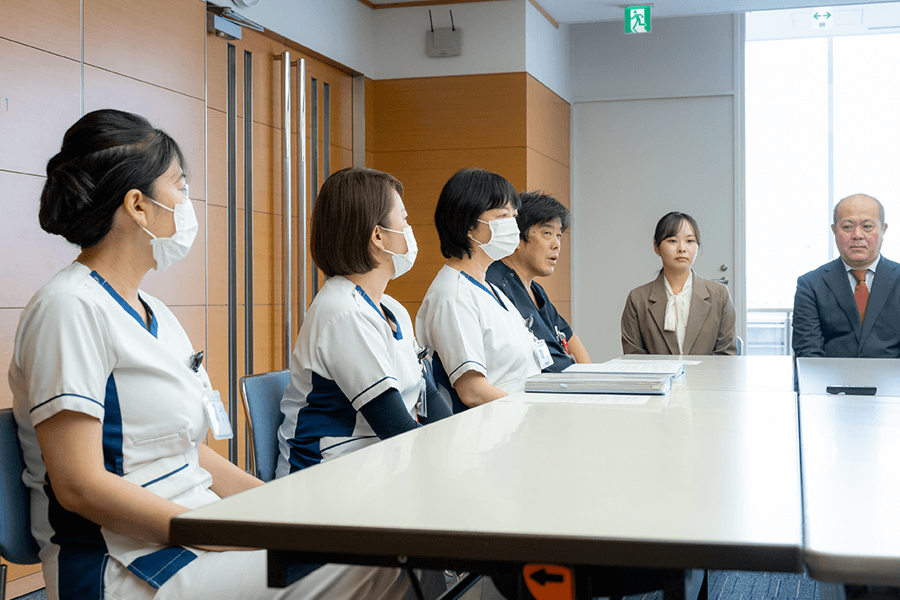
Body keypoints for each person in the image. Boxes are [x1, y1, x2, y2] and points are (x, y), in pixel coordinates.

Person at [8, 110, 408, 600]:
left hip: (197, 536)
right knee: (380, 561)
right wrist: (217, 532)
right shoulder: (67, 308)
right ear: (137, 205)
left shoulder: (154, 312)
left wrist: (284, 509)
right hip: (126, 566)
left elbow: (189, 453)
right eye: (179, 186)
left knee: (388, 543)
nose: (187, 202)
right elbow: (80, 486)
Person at [277, 167, 451, 475]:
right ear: (378, 236)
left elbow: (427, 394)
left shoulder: (391, 308)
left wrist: (461, 440)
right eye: (405, 220)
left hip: (376, 465)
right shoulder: (343, 312)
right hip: (328, 476)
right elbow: (394, 427)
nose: (410, 230)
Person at [416, 168, 542, 413]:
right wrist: (531, 411)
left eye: (514, 216)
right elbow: (472, 391)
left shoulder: (490, 287)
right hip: (487, 431)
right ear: (469, 225)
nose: (512, 225)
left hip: (516, 421)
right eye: (502, 216)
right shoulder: (453, 295)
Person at [485, 191, 591, 372]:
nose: (556, 244)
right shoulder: (494, 284)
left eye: (559, 235)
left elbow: (570, 339)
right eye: (547, 233)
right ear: (517, 238)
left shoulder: (536, 290)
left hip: (567, 387)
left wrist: (592, 380)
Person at [792, 193, 900, 358]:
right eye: (847, 227)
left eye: (867, 227)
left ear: (883, 230)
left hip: (892, 381)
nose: (857, 235)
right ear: (834, 230)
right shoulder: (811, 285)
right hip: (829, 381)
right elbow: (808, 352)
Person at [621, 211, 737, 355]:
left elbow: (726, 356)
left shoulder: (719, 294)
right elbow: (634, 359)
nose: (682, 248)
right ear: (656, 247)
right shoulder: (638, 299)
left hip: (708, 378)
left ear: (697, 247)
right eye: (672, 241)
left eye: (690, 241)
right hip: (656, 378)